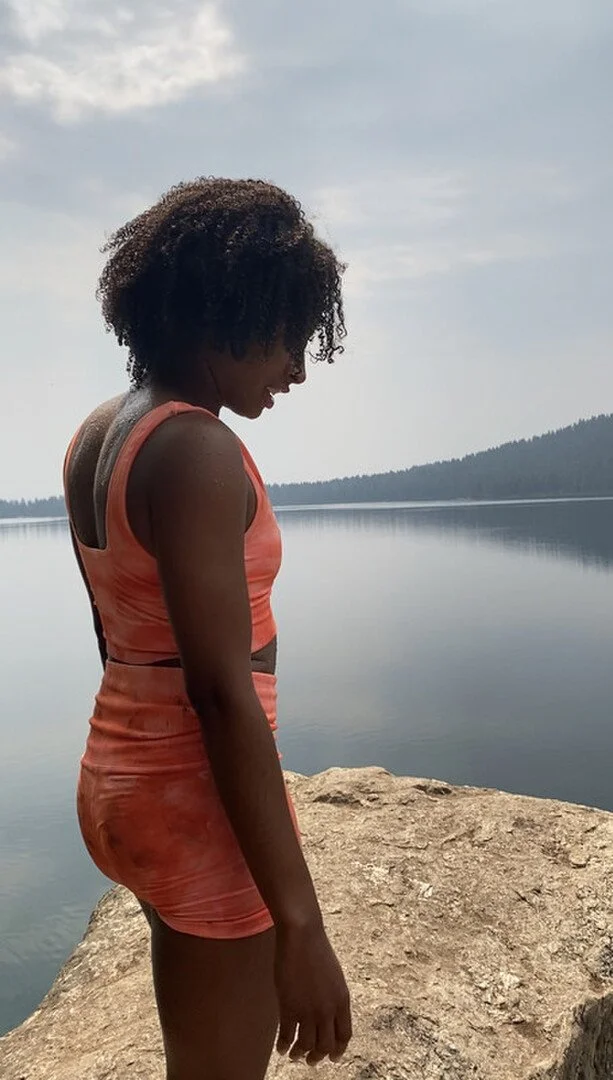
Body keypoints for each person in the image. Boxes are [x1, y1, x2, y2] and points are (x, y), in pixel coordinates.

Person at [63, 178, 352, 1080]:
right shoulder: (196, 449)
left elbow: (118, 633)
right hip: (193, 801)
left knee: (194, 1036)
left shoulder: (101, 432)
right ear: (229, 315)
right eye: (289, 339)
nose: (297, 371)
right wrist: (299, 924)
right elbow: (221, 696)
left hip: (121, 775)